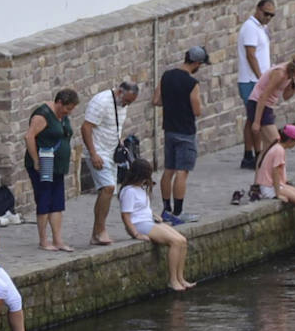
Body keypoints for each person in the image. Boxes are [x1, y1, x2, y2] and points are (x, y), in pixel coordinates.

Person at [152, 47, 209, 225]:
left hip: (169, 130)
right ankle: (178, 212)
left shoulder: (166, 76)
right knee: (182, 172)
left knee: (168, 170)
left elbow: (156, 100)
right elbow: (197, 110)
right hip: (185, 132)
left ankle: (166, 208)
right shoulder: (192, 83)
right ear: (197, 63)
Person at [119, 158, 194, 291]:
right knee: (175, 242)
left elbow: (141, 208)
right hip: (139, 225)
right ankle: (173, 280)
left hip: (148, 221)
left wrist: (153, 215)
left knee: (182, 240)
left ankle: (180, 278)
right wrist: (136, 234)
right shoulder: (129, 191)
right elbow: (126, 215)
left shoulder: (140, 188)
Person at [80, 81, 140, 246]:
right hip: (98, 152)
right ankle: (99, 231)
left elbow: (115, 125)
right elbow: (86, 127)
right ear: (120, 92)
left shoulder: (122, 104)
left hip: (111, 152)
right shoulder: (101, 101)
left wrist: (119, 142)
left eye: (129, 102)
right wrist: (93, 154)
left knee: (108, 191)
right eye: (126, 101)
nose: (126, 104)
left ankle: (97, 232)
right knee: (108, 188)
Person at [23, 89, 79, 251]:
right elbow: (29, 137)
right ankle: (43, 240)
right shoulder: (42, 115)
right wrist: (35, 160)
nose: (69, 112)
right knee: (44, 200)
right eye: (67, 108)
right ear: (59, 102)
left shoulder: (63, 116)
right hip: (45, 164)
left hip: (58, 166)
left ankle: (58, 240)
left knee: (57, 203)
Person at [253, 124, 295, 252]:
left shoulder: (278, 147)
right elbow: (275, 172)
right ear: (290, 140)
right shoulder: (279, 150)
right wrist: (278, 193)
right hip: (270, 187)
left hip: (276, 184)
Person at [248, 51, 295, 156]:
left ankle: (263, 170)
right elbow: (263, 96)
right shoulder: (280, 73)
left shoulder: (291, 75)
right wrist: (257, 121)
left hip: (268, 106)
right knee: (275, 142)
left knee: (267, 148)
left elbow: (285, 96)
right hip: (258, 103)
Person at [237, 0, 276, 168]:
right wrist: (262, 78)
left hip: (256, 79)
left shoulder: (261, 28)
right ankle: (258, 154)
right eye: (266, 13)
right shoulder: (250, 28)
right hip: (251, 80)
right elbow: (250, 54)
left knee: (251, 117)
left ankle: (248, 154)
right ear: (258, 10)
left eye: (271, 15)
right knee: (256, 119)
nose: (268, 17)